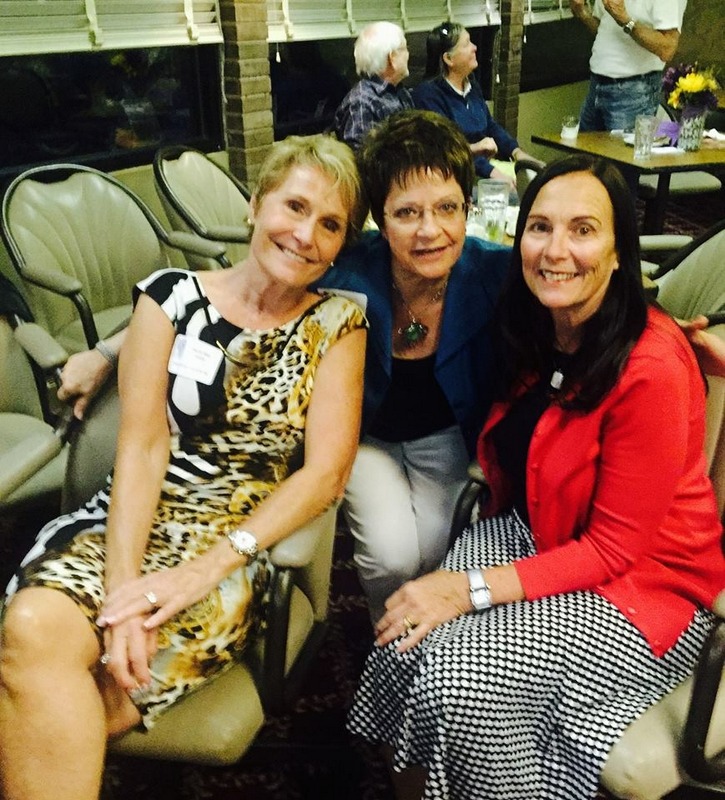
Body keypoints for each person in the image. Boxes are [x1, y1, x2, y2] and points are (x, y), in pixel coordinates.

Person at [0, 134, 368, 800]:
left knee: (41, 691)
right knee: (32, 631)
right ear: (254, 205)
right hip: (126, 520)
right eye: (294, 206)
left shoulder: (337, 324)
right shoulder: (167, 298)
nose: (305, 234)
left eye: (330, 224)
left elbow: (325, 476)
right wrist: (123, 596)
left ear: (341, 245)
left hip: (236, 545)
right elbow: (141, 447)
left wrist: (206, 567)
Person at [347, 154, 725, 800]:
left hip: (644, 582)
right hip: (541, 527)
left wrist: (469, 590)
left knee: (457, 680)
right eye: (540, 227)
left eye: (583, 230)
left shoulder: (649, 365)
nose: (555, 250)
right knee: (407, 630)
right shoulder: (542, 326)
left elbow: (613, 549)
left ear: (618, 252)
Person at [318, 109, 511, 622]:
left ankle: (423, 640)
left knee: (438, 550)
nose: (430, 231)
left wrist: (673, 336)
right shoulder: (346, 271)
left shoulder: (496, 273)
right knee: (391, 556)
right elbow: (256, 291)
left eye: (447, 208)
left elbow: (593, 296)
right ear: (380, 222)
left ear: (467, 209)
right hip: (366, 436)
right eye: (407, 213)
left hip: (445, 433)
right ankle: (389, 642)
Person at [412, 22, 541, 187]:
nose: (475, 47)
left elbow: (491, 126)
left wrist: (517, 152)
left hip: (484, 168)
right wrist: (493, 172)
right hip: (455, 177)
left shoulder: (471, 85)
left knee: (536, 177)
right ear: (448, 59)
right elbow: (446, 151)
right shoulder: (428, 95)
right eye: (466, 44)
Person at [571, 0, 687, 132]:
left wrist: (626, 20)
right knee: (585, 145)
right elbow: (604, 32)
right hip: (597, 84)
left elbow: (667, 49)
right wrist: (582, 12)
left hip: (634, 90)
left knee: (623, 146)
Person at [333, 21, 413, 151]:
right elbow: (363, 157)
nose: (408, 54)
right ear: (392, 57)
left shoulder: (401, 92)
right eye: (404, 48)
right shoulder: (362, 102)